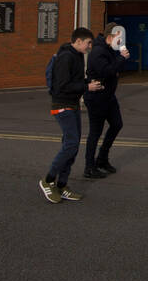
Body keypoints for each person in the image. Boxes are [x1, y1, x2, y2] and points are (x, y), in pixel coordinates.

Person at [39, 27, 102, 203]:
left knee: (72, 146)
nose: (90, 46)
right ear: (79, 41)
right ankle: (48, 180)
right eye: (88, 43)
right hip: (61, 105)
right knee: (71, 145)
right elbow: (62, 86)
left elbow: (74, 81)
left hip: (72, 105)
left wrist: (89, 82)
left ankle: (61, 185)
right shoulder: (66, 57)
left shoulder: (78, 56)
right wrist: (86, 87)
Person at [84, 25, 130, 178]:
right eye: (118, 37)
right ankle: (89, 167)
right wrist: (121, 58)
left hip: (108, 96)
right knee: (95, 132)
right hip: (97, 97)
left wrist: (120, 59)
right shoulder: (98, 51)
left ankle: (102, 159)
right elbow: (107, 71)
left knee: (117, 124)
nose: (120, 40)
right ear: (110, 36)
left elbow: (114, 69)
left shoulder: (109, 49)